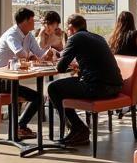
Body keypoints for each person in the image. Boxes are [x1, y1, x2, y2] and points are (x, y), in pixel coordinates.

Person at [47, 14, 123, 145]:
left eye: (67, 28)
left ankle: (77, 129)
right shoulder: (98, 37)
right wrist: (79, 65)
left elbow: (60, 67)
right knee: (63, 87)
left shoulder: (76, 38)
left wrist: (57, 57)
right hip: (115, 86)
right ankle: (77, 130)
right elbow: (94, 62)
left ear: (71, 27)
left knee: (53, 88)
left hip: (98, 87)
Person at [0, 7, 49, 141]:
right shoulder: (11, 35)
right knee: (38, 97)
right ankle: (19, 127)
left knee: (39, 97)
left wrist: (49, 53)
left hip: (10, 81)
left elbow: (39, 54)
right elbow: (19, 54)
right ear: (23, 22)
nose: (34, 22)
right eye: (31, 20)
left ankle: (19, 126)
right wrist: (32, 57)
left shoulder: (28, 35)